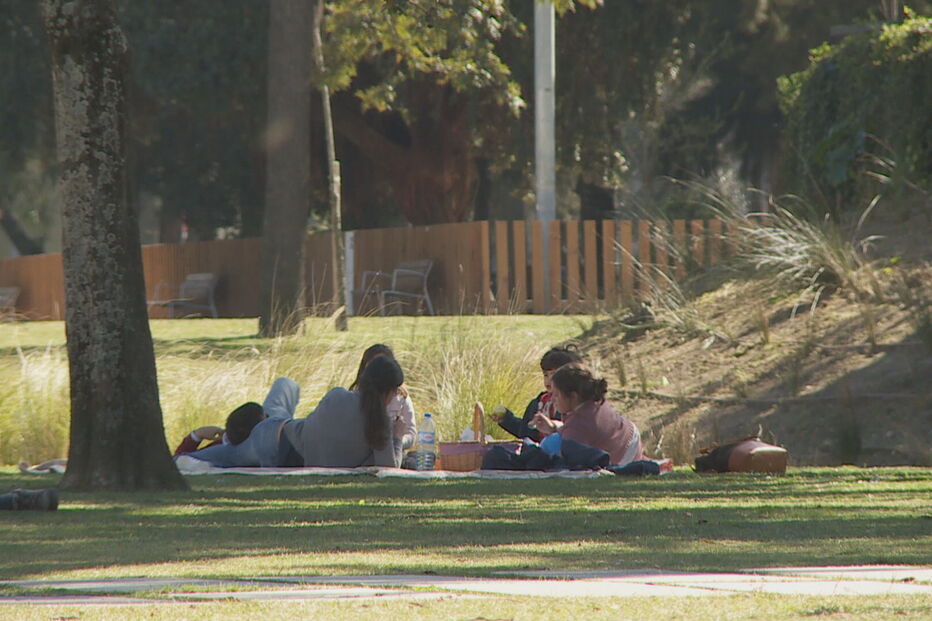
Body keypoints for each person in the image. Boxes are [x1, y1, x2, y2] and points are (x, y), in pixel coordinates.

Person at [280, 355, 405, 468]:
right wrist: (397, 438)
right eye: (395, 391)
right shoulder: (380, 423)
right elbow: (389, 470)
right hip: (281, 443)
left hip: (282, 440)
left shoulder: (336, 395)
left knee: (284, 390)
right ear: (388, 391)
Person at [531, 363, 643, 467]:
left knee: (551, 443)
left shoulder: (579, 422)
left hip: (621, 459)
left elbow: (571, 450)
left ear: (573, 396)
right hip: (631, 440)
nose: (552, 399)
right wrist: (554, 427)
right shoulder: (596, 403)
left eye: (556, 395)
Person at [487, 345, 583, 442]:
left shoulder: (573, 404)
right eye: (546, 375)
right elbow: (525, 430)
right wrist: (506, 419)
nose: (549, 380)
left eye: (554, 375)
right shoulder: (538, 403)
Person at [348, 344, 416, 465]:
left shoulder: (402, 398)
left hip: (395, 450)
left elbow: (411, 433)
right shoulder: (355, 398)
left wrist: (396, 440)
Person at [173, 401, 267, 455]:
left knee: (280, 383)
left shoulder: (217, 450)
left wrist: (197, 434)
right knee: (281, 383)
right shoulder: (264, 448)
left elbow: (179, 459)